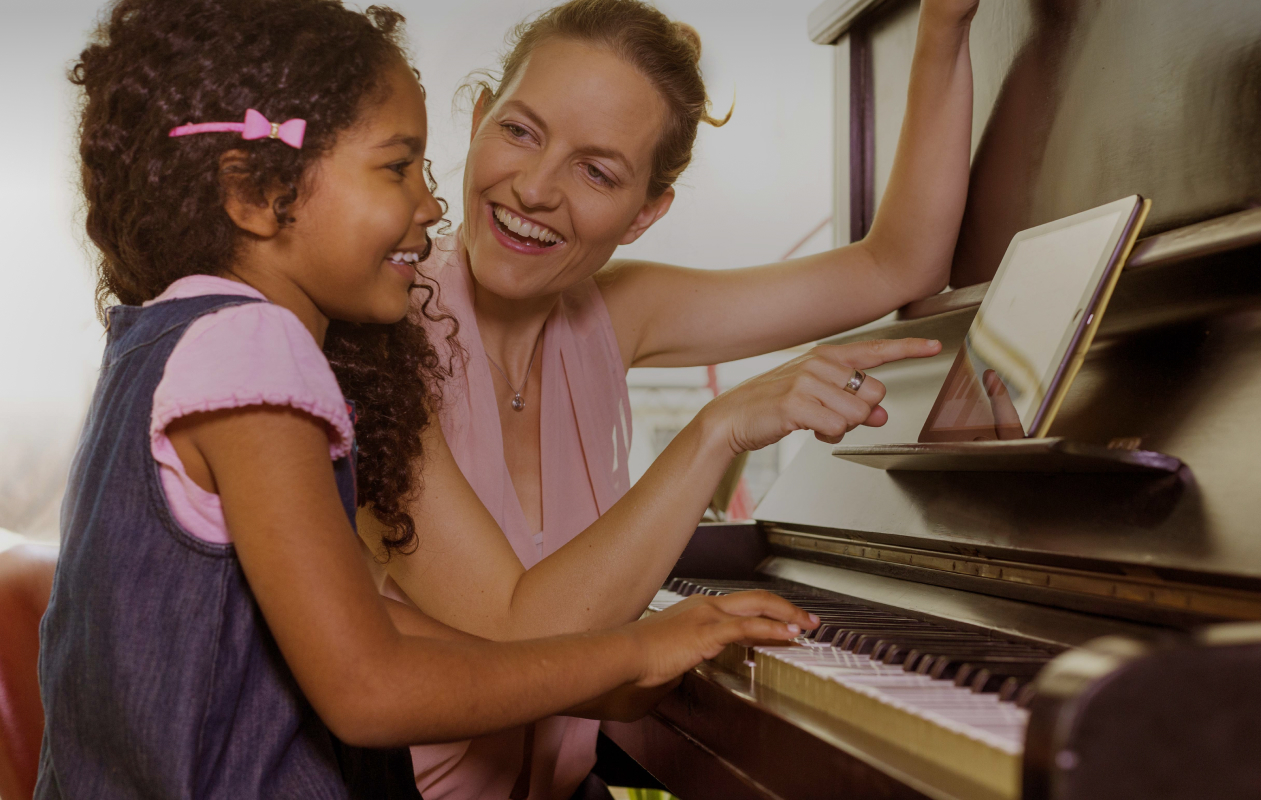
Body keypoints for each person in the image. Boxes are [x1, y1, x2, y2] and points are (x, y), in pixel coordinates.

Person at [37, 1, 822, 796]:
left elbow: (388, 627)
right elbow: (369, 690)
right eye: (397, 168)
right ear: (256, 193)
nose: (432, 204)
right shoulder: (258, 351)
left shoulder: (170, 336)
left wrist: (635, 656)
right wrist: (638, 650)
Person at [355, 0, 982, 797]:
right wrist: (717, 429)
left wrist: (945, 27)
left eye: (598, 170)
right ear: (478, 118)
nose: (536, 188)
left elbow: (899, 265)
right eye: (520, 130)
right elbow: (515, 637)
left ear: (647, 211)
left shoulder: (615, 313)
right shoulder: (377, 339)